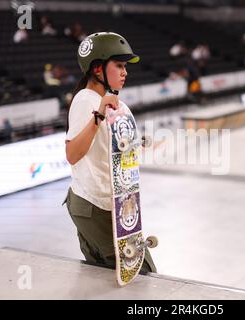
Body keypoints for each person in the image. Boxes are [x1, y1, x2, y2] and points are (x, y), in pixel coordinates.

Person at [62, 32, 157, 274]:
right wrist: (99, 115)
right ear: (97, 69)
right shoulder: (86, 100)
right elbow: (72, 154)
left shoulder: (118, 104)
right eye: (119, 66)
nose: (125, 72)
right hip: (93, 207)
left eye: (125, 67)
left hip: (115, 205)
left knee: (122, 275)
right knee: (141, 273)